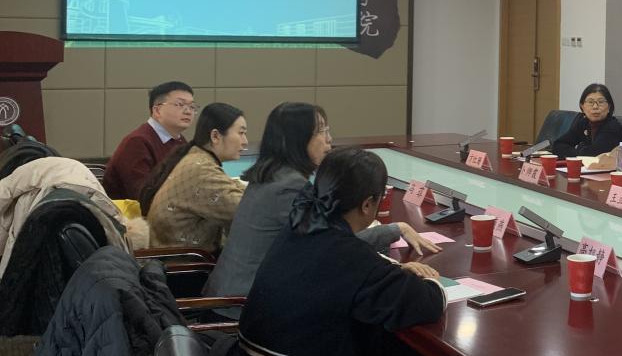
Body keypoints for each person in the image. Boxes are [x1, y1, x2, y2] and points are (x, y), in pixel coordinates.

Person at [237, 147, 446, 356]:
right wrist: (430, 280)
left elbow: (348, 266)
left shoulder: (299, 226)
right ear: (367, 204)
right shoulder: (352, 258)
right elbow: (428, 303)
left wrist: (393, 269)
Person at [204, 103, 436, 310]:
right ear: (298, 138)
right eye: (322, 131)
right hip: (241, 306)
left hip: (227, 293)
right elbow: (333, 247)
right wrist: (395, 231)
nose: (329, 140)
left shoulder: (269, 175)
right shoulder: (289, 188)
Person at [138, 102, 247, 249]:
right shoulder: (201, 169)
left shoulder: (197, 160)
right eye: (241, 133)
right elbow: (248, 211)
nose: (245, 142)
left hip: (175, 256)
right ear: (215, 136)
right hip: (184, 261)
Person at [101, 81, 195, 199]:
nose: (188, 111)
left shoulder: (179, 141)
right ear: (157, 111)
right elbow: (143, 196)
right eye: (180, 104)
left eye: (192, 106)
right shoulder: (137, 142)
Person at [552, 83, 622, 158]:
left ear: (609, 107)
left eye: (601, 102)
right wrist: (581, 150)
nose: (595, 107)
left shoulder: (612, 126)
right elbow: (558, 145)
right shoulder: (583, 122)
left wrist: (579, 148)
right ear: (582, 106)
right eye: (590, 102)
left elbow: (592, 154)